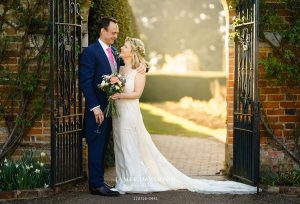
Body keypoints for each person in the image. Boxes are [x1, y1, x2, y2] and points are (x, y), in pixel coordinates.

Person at [110, 37, 259, 194]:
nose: (121, 47)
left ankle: (133, 182)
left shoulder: (139, 70)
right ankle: (123, 179)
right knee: (120, 144)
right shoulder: (120, 69)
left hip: (129, 113)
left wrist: (119, 95)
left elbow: (137, 93)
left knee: (130, 145)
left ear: (132, 51)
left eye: (125, 46)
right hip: (118, 113)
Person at [79, 17, 145, 196]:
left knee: (102, 146)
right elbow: (85, 82)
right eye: (113, 32)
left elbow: (132, 66)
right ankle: (96, 185)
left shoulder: (114, 51)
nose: (116, 35)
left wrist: (146, 66)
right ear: (103, 31)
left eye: (116, 32)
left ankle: (100, 182)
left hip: (113, 110)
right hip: (98, 110)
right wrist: (94, 107)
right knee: (95, 145)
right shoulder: (91, 52)